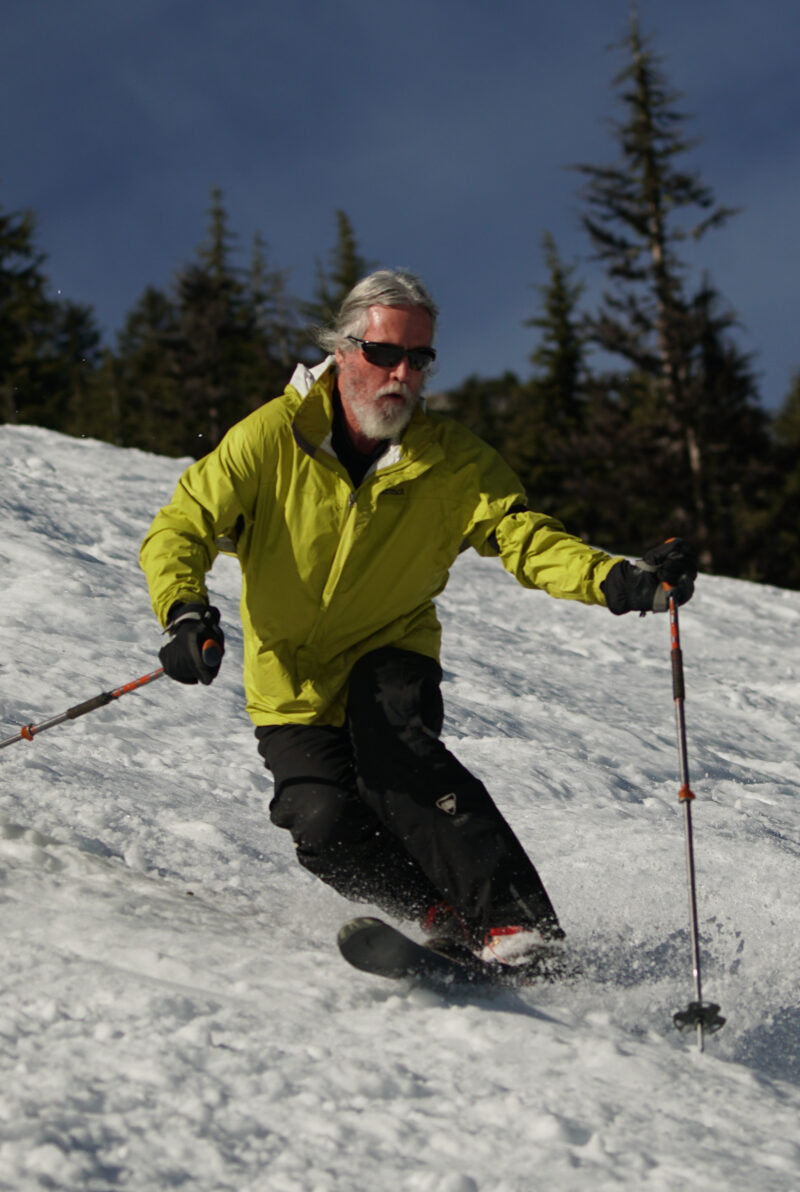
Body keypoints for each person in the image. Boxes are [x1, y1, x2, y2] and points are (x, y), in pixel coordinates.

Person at [139, 269, 696, 975]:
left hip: (389, 649)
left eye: (418, 359)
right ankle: (441, 917)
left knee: (392, 752)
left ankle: (518, 927)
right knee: (323, 826)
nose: (401, 374)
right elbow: (181, 526)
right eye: (384, 355)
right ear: (343, 352)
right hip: (291, 684)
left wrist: (617, 579)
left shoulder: (450, 461)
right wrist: (185, 610)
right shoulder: (271, 439)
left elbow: (524, 537)